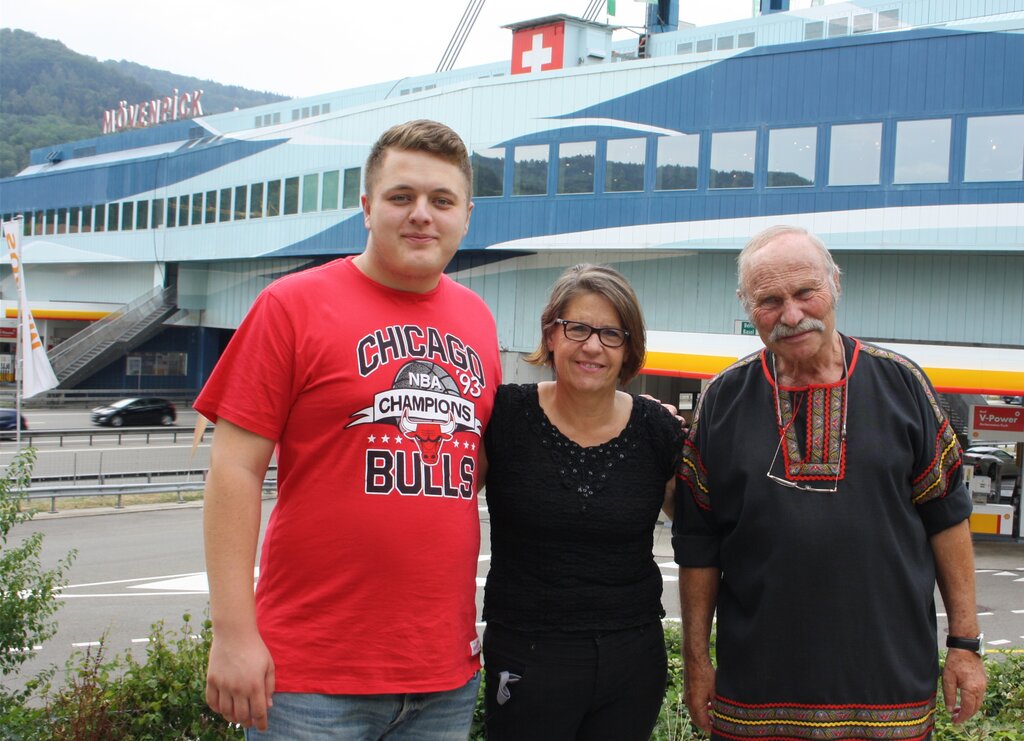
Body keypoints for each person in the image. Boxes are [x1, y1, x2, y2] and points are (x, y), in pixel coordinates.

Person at [197, 119, 502, 739]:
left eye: (441, 201)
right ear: (367, 207)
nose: (422, 215)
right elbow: (234, 469)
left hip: (443, 673)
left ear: (466, 216)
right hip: (310, 679)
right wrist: (232, 633)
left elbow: (480, 462)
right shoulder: (292, 304)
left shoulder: (477, 319)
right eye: (401, 197)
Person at [673, 225, 987, 740]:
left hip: (889, 690)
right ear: (746, 306)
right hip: (756, 692)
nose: (792, 315)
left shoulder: (901, 385)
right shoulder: (723, 401)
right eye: (769, 300)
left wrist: (965, 645)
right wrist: (697, 663)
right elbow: (698, 545)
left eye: (805, 292)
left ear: (835, 282)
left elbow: (948, 518)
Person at [481, 264, 683, 740]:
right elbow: (440, 509)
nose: (593, 346)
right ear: (552, 334)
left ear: (630, 347)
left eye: (612, 333)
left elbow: (704, 528)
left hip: (632, 655)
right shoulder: (505, 415)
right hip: (526, 653)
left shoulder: (658, 429)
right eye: (578, 328)